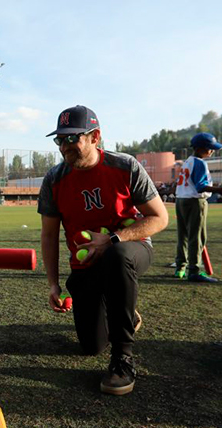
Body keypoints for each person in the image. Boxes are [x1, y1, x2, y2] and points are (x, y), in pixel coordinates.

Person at [38, 105, 169, 396]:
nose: (65, 146)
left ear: (95, 137)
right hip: (85, 266)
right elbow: (48, 235)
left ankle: (123, 358)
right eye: (60, 140)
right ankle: (125, 311)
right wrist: (53, 284)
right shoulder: (54, 179)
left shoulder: (125, 166)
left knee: (117, 256)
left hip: (131, 250)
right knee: (90, 346)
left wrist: (112, 238)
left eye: (73, 138)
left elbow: (160, 218)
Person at [174, 133, 222, 282]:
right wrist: (221, 189)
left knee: (183, 236)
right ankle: (194, 271)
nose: (212, 151)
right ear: (201, 148)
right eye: (210, 148)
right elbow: (200, 186)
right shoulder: (200, 163)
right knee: (196, 236)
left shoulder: (188, 161)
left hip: (181, 200)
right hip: (194, 202)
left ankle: (180, 268)